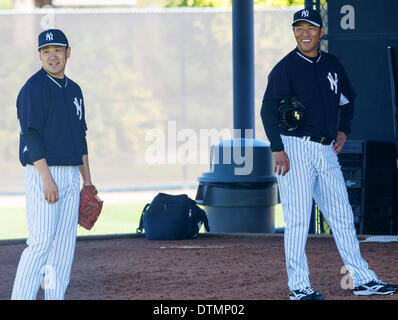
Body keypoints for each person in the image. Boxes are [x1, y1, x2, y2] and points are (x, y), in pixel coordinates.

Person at [260, 8, 398, 300]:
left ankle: (361, 279)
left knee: (342, 216)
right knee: (298, 219)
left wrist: (343, 129)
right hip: (294, 148)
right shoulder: (285, 67)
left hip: (325, 149)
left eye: (310, 27)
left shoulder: (332, 64)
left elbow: (347, 102)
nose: (304, 33)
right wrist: (277, 148)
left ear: (320, 32)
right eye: (298, 28)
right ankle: (299, 287)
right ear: (294, 32)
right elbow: (267, 110)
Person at [12, 29, 94, 300]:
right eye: (46, 51)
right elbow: (31, 135)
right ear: (39, 55)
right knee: (40, 242)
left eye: (57, 50)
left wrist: (88, 182)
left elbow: (80, 137)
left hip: (71, 173)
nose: (52, 56)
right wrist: (46, 178)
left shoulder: (75, 90)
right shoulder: (33, 88)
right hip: (43, 171)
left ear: (68, 52)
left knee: (64, 246)